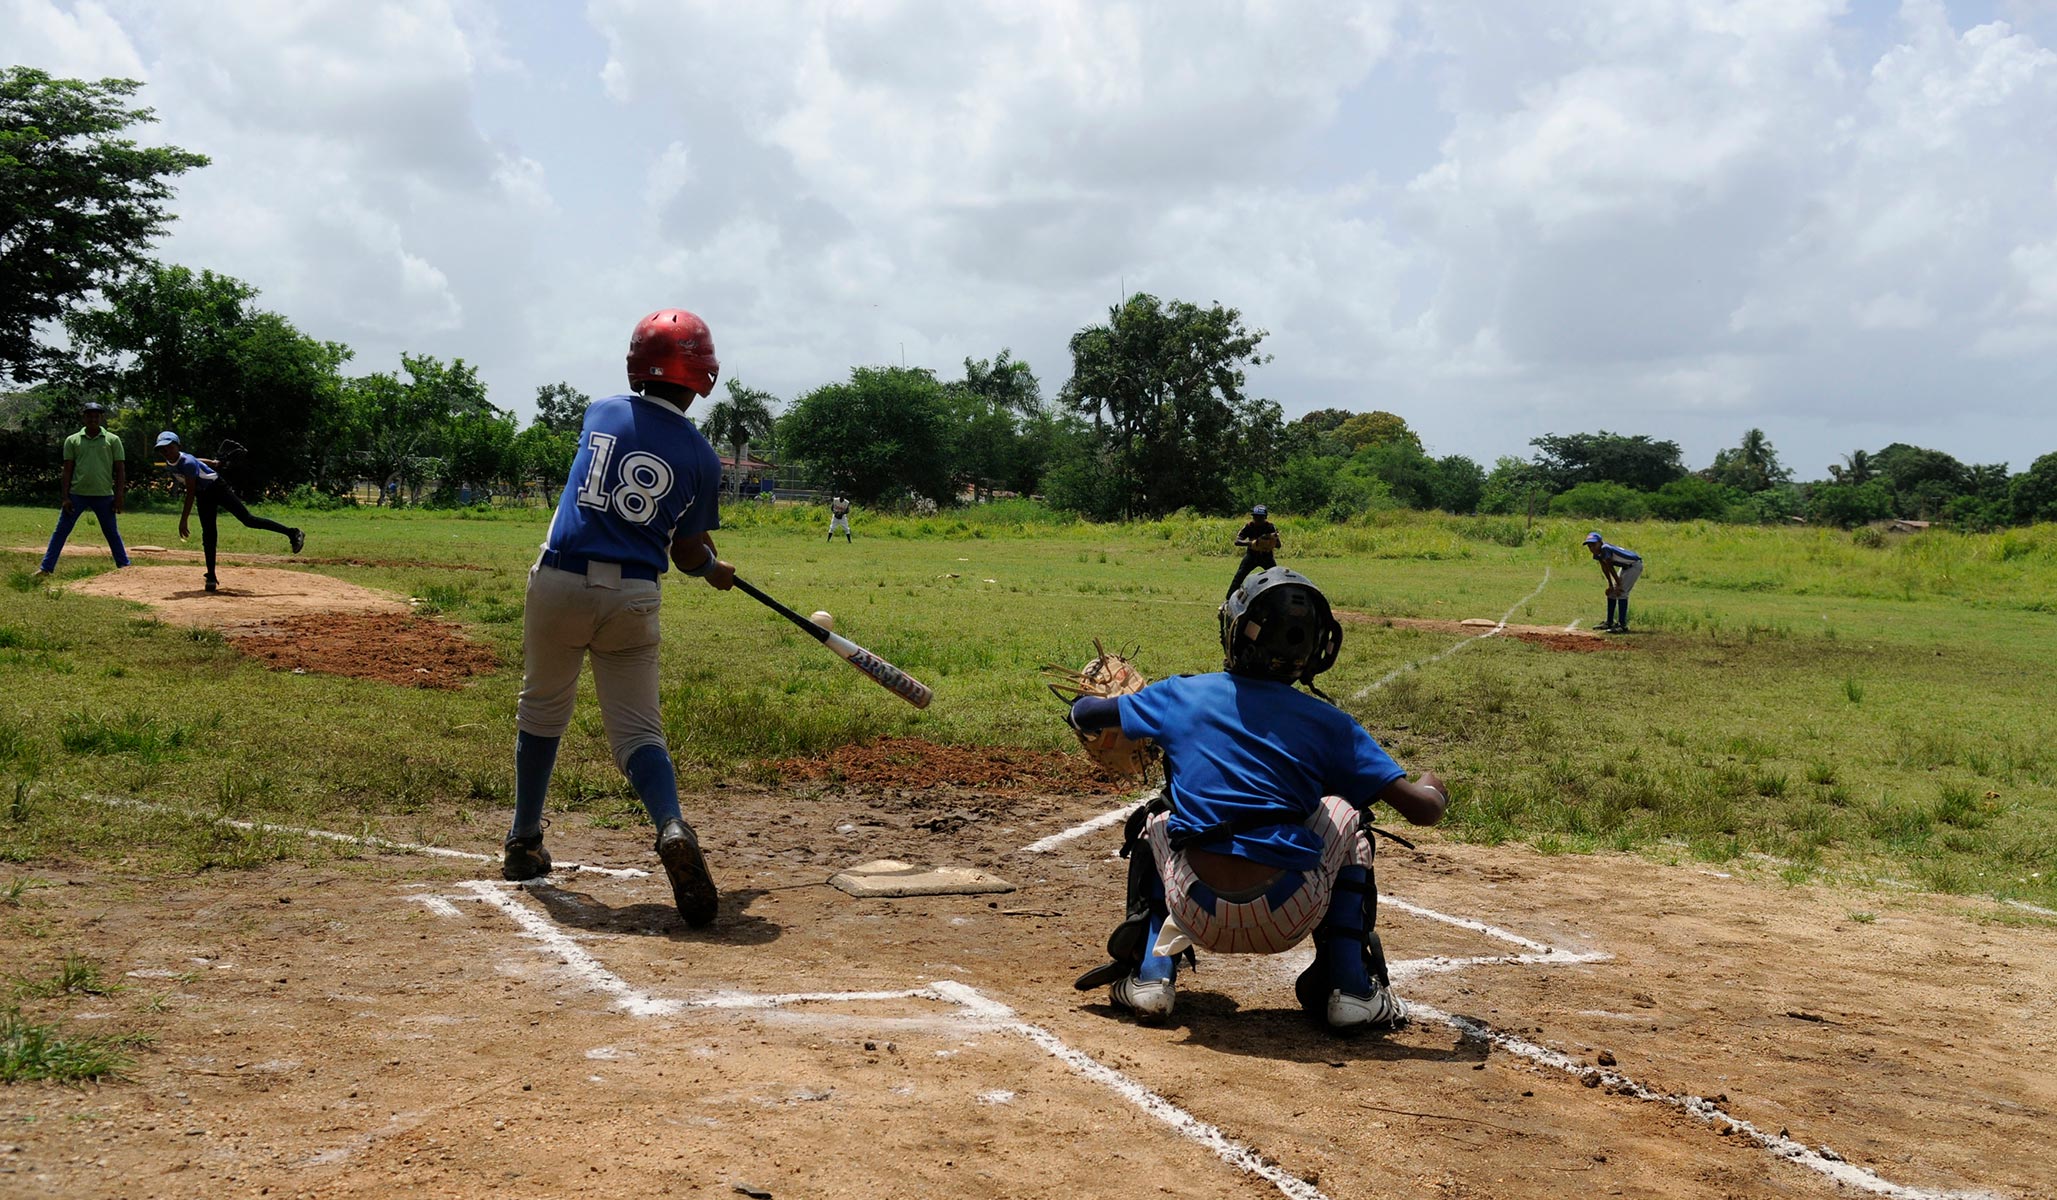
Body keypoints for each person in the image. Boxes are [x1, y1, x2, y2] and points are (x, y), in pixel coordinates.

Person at [1067, 567, 1450, 1032]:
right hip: (1291, 911)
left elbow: (1084, 713)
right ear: (1317, 648)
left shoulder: (1180, 695)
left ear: (1235, 631)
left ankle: (1150, 976)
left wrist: (1137, 701)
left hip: (1194, 908)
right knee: (1345, 817)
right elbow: (1423, 810)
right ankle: (1351, 990)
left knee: (1159, 819)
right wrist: (1434, 785)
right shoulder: (1329, 723)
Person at [503, 308, 736, 928]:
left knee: (543, 707)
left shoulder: (601, 412)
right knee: (638, 731)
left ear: (638, 365)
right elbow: (687, 553)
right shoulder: (703, 458)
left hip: (559, 579)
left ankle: (524, 840)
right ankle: (671, 823)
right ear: (701, 375)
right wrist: (711, 567)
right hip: (633, 594)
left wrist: (702, 558)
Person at [156, 432, 303, 593]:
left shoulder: (187, 462)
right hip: (203, 494)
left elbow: (190, 490)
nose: (166, 451)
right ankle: (211, 576)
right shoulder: (171, 461)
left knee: (248, 519)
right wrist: (214, 462)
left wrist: (183, 520)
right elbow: (196, 460)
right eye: (162, 448)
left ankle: (293, 533)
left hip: (217, 488)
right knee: (209, 534)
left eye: (170, 446)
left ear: (178, 446)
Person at [37, 401, 129, 578]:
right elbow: (67, 470)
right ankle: (46, 568)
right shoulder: (73, 440)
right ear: (84, 417)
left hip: (104, 495)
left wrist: (119, 496)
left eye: (96, 415)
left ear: (101, 418)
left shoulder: (112, 440)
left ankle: (124, 567)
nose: (93, 418)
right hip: (77, 495)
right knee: (61, 531)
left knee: (111, 533)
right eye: (89, 415)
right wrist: (65, 497)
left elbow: (120, 470)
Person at [1584, 531, 1643, 633]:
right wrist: (1610, 585)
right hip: (1626, 567)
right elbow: (1604, 567)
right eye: (1589, 546)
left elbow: (1610, 566)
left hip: (1634, 565)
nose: (1592, 548)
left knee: (1622, 593)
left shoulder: (1605, 548)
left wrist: (1618, 584)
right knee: (1612, 593)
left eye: (1594, 544)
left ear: (1600, 542)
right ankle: (1609, 622)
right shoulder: (1598, 553)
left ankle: (1622, 625)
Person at [1226, 504, 1279, 597]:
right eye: (1255, 517)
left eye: (1260, 517)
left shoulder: (1270, 527)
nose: (1258, 519)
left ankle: (1278, 597)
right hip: (1252, 556)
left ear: (1265, 517)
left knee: (1276, 577)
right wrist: (1251, 543)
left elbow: (1278, 545)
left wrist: (1271, 540)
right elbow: (1237, 541)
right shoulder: (1249, 526)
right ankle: (1229, 599)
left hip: (1267, 557)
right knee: (1239, 576)